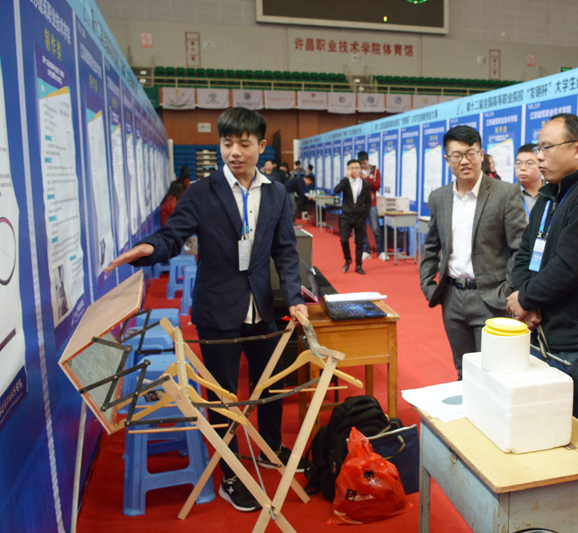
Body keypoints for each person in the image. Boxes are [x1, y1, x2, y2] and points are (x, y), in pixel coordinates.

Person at [105, 107, 308, 514]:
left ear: (261, 146)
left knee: (271, 386)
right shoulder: (202, 191)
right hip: (217, 309)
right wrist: (149, 248)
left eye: (243, 144)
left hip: (262, 308)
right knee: (222, 395)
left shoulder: (276, 193)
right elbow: (173, 235)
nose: (234, 152)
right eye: (227, 143)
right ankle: (230, 472)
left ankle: (270, 447)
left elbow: (286, 252)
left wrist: (295, 297)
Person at [506, 114, 578, 434]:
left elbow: (574, 265)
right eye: (538, 148)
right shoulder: (549, 195)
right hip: (539, 331)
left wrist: (526, 299)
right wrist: (527, 299)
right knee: (538, 431)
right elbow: (525, 254)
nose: (539, 157)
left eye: (546, 148)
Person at [420, 125, 527, 379]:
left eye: (470, 153)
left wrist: (507, 289)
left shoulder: (505, 193)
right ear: (447, 159)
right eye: (456, 155)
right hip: (451, 297)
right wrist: (428, 284)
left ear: (482, 154)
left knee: (493, 375)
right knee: (463, 371)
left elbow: (519, 248)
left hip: (491, 298)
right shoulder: (439, 198)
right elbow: (431, 245)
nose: (464, 161)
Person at [334, 159, 371, 274]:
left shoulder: (365, 184)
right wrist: (346, 178)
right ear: (348, 169)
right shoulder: (345, 182)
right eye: (352, 168)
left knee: (359, 242)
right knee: (344, 239)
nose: (354, 170)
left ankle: (359, 265)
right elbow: (336, 190)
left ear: (360, 169)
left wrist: (365, 214)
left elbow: (368, 201)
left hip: (360, 216)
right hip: (346, 216)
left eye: (356, 168)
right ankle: (348, 259)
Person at [358, 151, 386, 261]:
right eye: (361, 164)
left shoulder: (375, 172)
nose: (363, 165)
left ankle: (381, 251)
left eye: (364, 163)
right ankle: (366, 251)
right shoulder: (357, 172)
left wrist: (367, 178)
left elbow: (377, 186)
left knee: (376, 228)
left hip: (372, 204)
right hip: (360, 204)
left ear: (368, 161)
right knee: (362, 229)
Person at [514, 143, 543, 216]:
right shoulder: (508, 195)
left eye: (529, 163)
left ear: (541, 164)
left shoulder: (552, 193)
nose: (522, 168)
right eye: (518, 163)